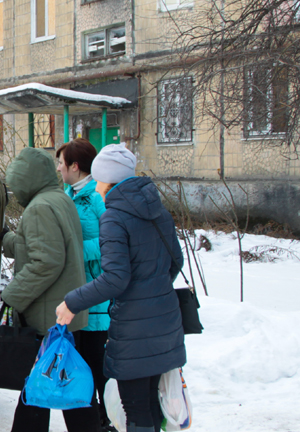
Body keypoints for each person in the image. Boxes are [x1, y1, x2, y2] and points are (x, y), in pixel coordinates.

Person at [56, 144, 186, 432]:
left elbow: (116, 278)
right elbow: (175, 260)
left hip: (134, 330)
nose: (96, 183)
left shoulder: (115, 216)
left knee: (136, 410)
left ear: (107, 178)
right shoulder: (159, 211)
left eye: (99, 177)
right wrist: (153, 290)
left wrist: (72, 302)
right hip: (165, 322)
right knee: (152, 407)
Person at [0, 147, 101, 432]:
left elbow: (46, 262)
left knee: (39, 390)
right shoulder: (58, 199)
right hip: (66, 313)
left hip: (48, 318)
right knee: (66, 388)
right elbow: (47, 245)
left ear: (25, 179)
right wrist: (8, 240)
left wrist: (11, 296)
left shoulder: (39, 208)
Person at [55, 139, 112, 431]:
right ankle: (95, 421)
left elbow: (109, 243)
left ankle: (107, 419)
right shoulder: (68, 195)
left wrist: (74, 251)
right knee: (81, 370)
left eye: (62, 164)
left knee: (95, 367)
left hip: (95, 298)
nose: (59, 169)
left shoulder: (95, 199)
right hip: (76, 295)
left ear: (75, 167)